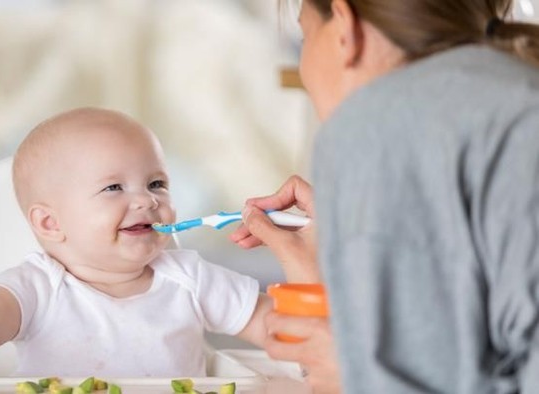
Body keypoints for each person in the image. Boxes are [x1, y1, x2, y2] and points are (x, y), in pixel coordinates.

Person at [231, 0, 539, 393]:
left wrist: (354, 370)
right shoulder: (516, 86)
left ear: (344, 24)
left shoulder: (376, 120)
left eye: (305, 35)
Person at [0, 107, 272, 377]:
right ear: (51, 222)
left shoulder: (190, 278)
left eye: (156, 183)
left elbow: (265, 320)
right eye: (113, 187)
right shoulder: (39, 286)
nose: (146, 200)